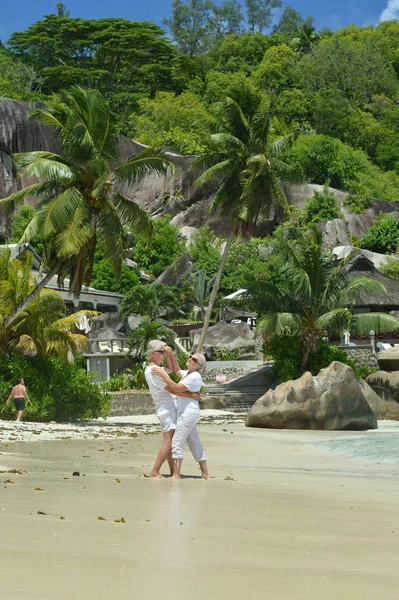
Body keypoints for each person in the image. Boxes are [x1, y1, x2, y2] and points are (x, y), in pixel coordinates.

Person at [144, 341, 201, 478]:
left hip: (165, 407)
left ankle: (172, 471)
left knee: (171, 440)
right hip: (166, 408)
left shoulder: (156, 369)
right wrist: (192, 395)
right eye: (161, 353)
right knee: (169, 442)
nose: (163, 355)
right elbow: (174, 390)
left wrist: (169, 353)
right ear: (153, 354)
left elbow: (171, 368)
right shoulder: (154, 371)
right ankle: (155, 471)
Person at [151, 352, 209, 480]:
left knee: (177, 441)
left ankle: (176, 474)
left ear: (199, 366)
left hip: (187, 413)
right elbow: (177, 370)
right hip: (189, 413)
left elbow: (176, 388)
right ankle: (205, 473)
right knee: (194, 442)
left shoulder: (194, 376)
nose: (190, 359)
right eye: (190, 357)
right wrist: (171, 354)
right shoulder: (187, 374)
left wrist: (162, 373)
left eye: (194, 359)